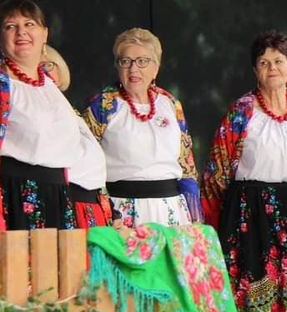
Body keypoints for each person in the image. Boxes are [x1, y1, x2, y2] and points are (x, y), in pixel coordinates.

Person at [201, 31, 287, 312]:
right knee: (253, 304)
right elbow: (216, 173)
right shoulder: (241, 112)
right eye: (264, 62)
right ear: (255, 70)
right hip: (250, 217)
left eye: (279, 61)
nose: (272, 68)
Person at [0, 0, 82, 230]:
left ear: (44, 34)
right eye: (10, 26)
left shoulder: (49, 84)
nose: (21, 32)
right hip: (14, 196)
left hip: (57, 194)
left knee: (57, 264)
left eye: (29, 24)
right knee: (20, 265)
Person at [83, 28, 201, 228]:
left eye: (142, 61)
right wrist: (107, 210)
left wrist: (195, 216)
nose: (133, 69)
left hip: (171, 210)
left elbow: (186, 165)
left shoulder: (171, 103)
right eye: (125, 61)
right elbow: (86, 163)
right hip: (121, 211)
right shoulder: (103, 105)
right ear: (117, 66)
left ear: (156, 67)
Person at [42, 45, 111, 228]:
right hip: (66, 204)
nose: (43, 73)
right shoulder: (37, 113)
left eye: (48, 65)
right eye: (37, 68)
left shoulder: (70, 111)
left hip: (92, 205)